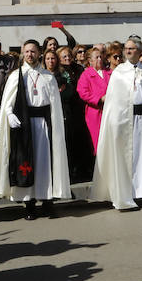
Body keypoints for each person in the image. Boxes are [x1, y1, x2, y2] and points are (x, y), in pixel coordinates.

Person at [0, 40, 71, 219]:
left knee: (44, 163)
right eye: (27, 52)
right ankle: (29, 204)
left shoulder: (48, 77)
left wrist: (54, 125)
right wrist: (9, 114)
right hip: (24, 126)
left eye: (33, 51)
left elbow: (54, 105)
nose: (30, 55)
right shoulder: (16, 76)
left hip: (43, 124)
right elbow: (8, 101)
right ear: (22, 53)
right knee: (26, 164)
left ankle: (47, 201)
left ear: (39, 53)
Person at [93, 38, 142, 211]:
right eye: (126, 48)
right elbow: (114, 101)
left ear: (139, 50)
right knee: (131, 158)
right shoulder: (119, 73)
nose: (128, 51)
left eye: (131, 48)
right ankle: (129, 194)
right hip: (127, 121)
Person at [54, 46, 93, 183]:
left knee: (81, 140)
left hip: (79, 108)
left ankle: (83, 169)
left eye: (69, 55)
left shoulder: (78, 69)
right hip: (66, 108)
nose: (67, 58)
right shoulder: (59, 71)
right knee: (68, 141)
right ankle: (71, 171)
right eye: (64, 56)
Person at [77, 46, 110, 154]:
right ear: (90, 60)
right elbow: (82, 92)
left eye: (101, 57)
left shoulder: (109, 73)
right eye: (96, 57)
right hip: (95, 112)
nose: (99, 59)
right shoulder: (86, 75)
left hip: (109, 110)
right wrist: (99, 99)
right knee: (97, 140)